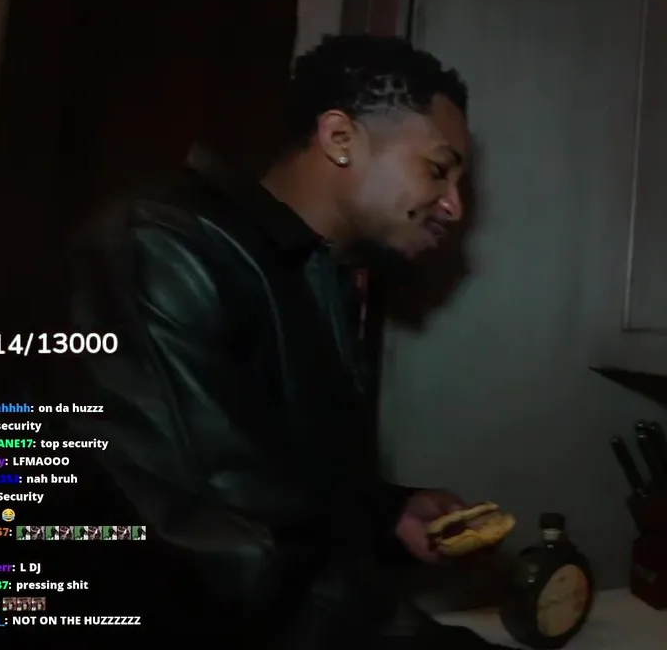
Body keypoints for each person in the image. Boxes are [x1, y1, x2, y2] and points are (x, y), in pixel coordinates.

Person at [53, 35, 507, 648]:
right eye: (438, 168)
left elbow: (273, 478)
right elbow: (218, 544)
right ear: (339, 138)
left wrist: (385, 515)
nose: (454, 206)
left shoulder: (323, 279)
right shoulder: (158, 247)